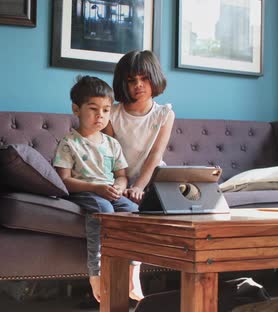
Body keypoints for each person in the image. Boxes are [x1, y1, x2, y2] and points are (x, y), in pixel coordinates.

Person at [53, 75, 142, 303]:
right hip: (86, 192)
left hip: (107, 192)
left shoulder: (112, 144)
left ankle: (134, 271)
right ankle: (96, 273)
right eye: (93, 109)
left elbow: (122, 176)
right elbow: (64, 180)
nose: (100, 116)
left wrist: (119, 188)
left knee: (134, 212)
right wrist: (98, 188)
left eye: (105, 110)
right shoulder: (68, 143)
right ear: (76, 109)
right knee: (103, 209)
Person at [103, 50, 175, 299]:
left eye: (144, 79)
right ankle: (120, 271)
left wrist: (140, 186)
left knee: (165, 199)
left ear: (154, 79)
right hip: (119, 174)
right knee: (120, 209)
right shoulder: (111, 112)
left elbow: (155, 156)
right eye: (131, 80)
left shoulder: (164, 114)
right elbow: (112, 153)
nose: (138, 85)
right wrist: (122, 182)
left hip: (151, 177)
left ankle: (134, 270)